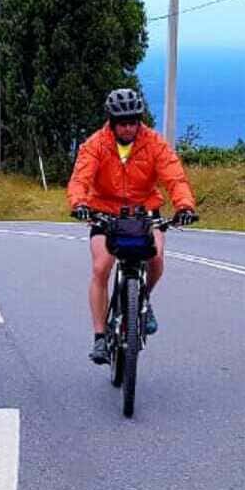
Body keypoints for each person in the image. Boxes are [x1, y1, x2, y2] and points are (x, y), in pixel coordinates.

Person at [66, 87, 198, 365]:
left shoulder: (154, 143)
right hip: (105, 212)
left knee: (157, 258)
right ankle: (100, 337)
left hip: (145, 211)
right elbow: (80, 178)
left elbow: (175, 178)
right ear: (112, 122)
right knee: (101, 267)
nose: (128, 128)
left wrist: (184, 206)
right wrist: (79, 203)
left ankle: (143, 300)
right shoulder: (95, 144)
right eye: (122, 123)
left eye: (133, 121)